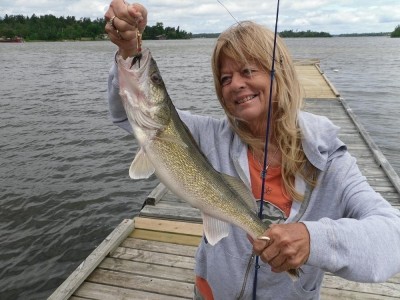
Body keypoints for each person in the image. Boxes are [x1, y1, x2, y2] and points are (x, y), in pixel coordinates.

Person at [104, 1, 400, 299]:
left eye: (247, 71)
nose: (235, 85)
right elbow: (123, 113)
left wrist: (314, 239)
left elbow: (392, 237)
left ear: (279, 72)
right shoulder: (206, 135)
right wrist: (129, 50)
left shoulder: (330, 161)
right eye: (225, 78)